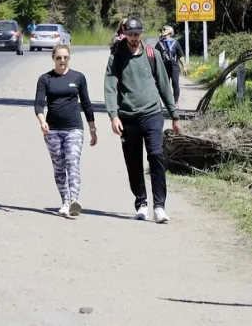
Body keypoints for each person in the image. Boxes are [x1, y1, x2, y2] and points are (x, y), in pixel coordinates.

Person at [103, 16, 181, 224]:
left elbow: (165, 86)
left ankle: (159, 206)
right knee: (133, 162)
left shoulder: (151, 54)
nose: (134, 38)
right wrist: (113, 116)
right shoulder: (117, 57)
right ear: (125, 34)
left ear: (142, 34)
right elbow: (110, 87)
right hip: (128, 117)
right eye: (130, 34)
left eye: (137, 34)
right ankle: (141, 203)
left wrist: (174, 115)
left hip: (152, 114)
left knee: (156, 155)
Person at [34, 44, 97, 218]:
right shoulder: (45, 79)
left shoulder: (78, 78)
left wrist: (92, 128)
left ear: (69, 57)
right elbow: (38, 103)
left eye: (65, 57)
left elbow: (86, 104)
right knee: (59, 167)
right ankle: (65, 201)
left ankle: (74, 201)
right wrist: (42, 121)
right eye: (59, 58)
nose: (62, 61)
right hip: (52, 130)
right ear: (53, 58)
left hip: (74, 128)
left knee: (72, 162)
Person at [156, 25, 186, 104]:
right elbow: (154, 56)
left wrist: (184, 67)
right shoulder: (159, 44)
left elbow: (180, 56)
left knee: (175, 83)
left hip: (174, 67)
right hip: (163, 67)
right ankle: (166, 102)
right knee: (164, 85)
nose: (162, 31)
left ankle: (175, 101)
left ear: (169, 32)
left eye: (164, 29)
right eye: (162, 30)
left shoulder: (175, 43)